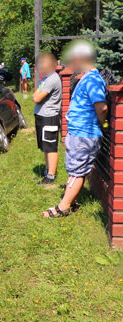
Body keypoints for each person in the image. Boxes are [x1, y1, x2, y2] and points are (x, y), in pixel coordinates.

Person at [44, 41, 108, 218]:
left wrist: (103, 124)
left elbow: (101, 108)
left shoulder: (94, 79)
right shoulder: (86, 77)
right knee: (76, 170)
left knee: (76, 171)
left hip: (84, 133)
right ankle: (71, 202)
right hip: (79, 132)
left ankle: (62, 208)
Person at [32, 52, 62, 186]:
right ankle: (47, 171)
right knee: (45, 146)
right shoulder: (45, 79)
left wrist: (37, 94)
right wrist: (37, 94)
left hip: (49, 118)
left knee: (50, 147)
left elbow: (37, 97)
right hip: (42, 116)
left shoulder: (52, 79)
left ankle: (51, 175)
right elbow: (35, 95)